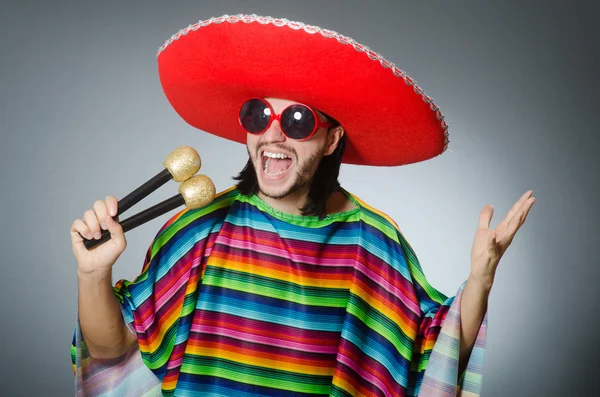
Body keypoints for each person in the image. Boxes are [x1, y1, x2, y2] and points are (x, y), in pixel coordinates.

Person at [70, 14, 535, 397]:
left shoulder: (373, 243)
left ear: (332, 139)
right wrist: (92, 275)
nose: (271, 135)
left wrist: (481, 280)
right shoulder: (200, 227)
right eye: (258, 115)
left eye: (296, 119)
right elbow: (115, 349)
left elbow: (436, 353)